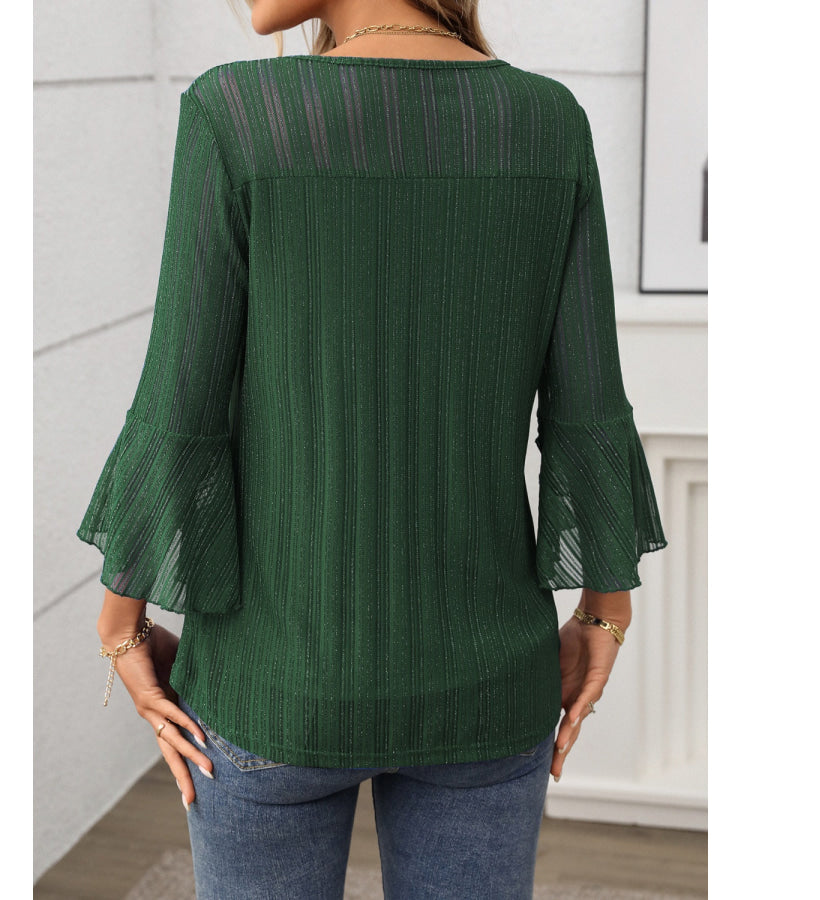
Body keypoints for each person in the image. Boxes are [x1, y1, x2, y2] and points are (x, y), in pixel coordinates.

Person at [76, 2, 668, 897]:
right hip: (487, 681)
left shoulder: (237, 113)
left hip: (273, 682)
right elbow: (588, 404)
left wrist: (120, 619)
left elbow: (179, 402)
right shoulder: (549, 121)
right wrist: (603, 611)